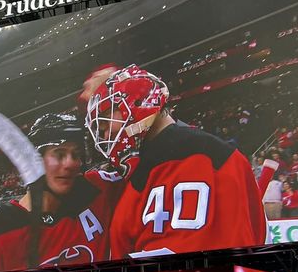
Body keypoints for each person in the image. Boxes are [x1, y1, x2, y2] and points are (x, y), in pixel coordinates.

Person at [85, 64, 267, 259]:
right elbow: (259, 233)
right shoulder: (225, 156)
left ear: (135, 103)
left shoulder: (142, 179)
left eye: (105, 123)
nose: (104, 135)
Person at [0, 113, 124, 272]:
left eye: (76, 154)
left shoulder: (97, 188)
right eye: (59, 154)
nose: (71, 163)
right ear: (35, 159)